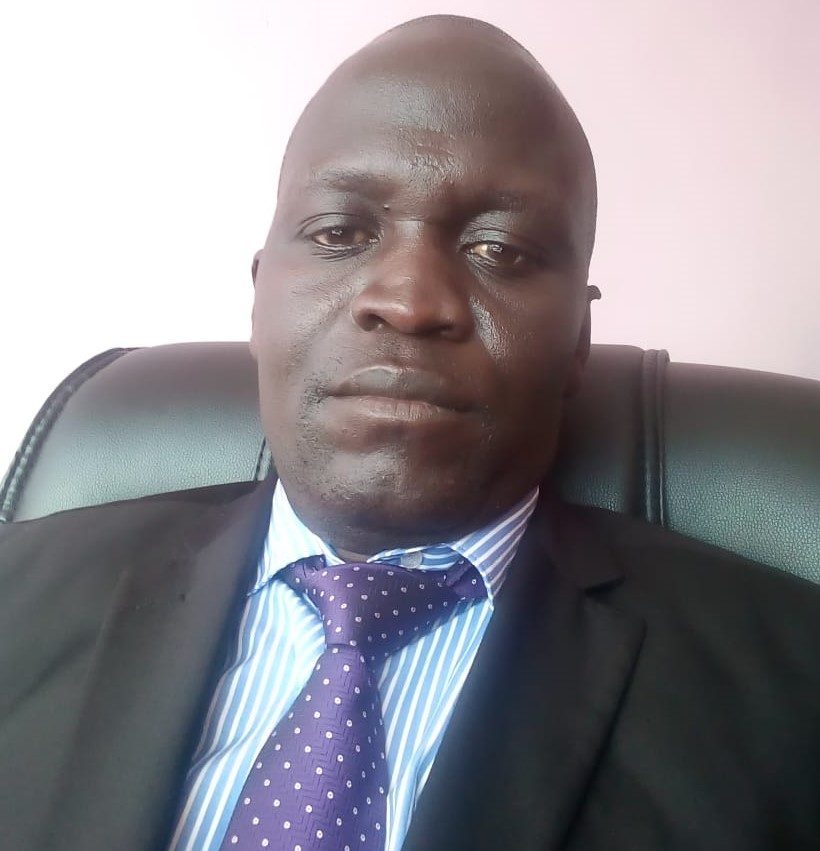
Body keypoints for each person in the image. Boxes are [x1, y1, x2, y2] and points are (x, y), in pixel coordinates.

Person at [1, 15, 819, 851]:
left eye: (500, 248)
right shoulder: (14, 595)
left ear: (578, 339)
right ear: (259, 296)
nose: (409, 301)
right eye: (338, 233)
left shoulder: (793, 693)